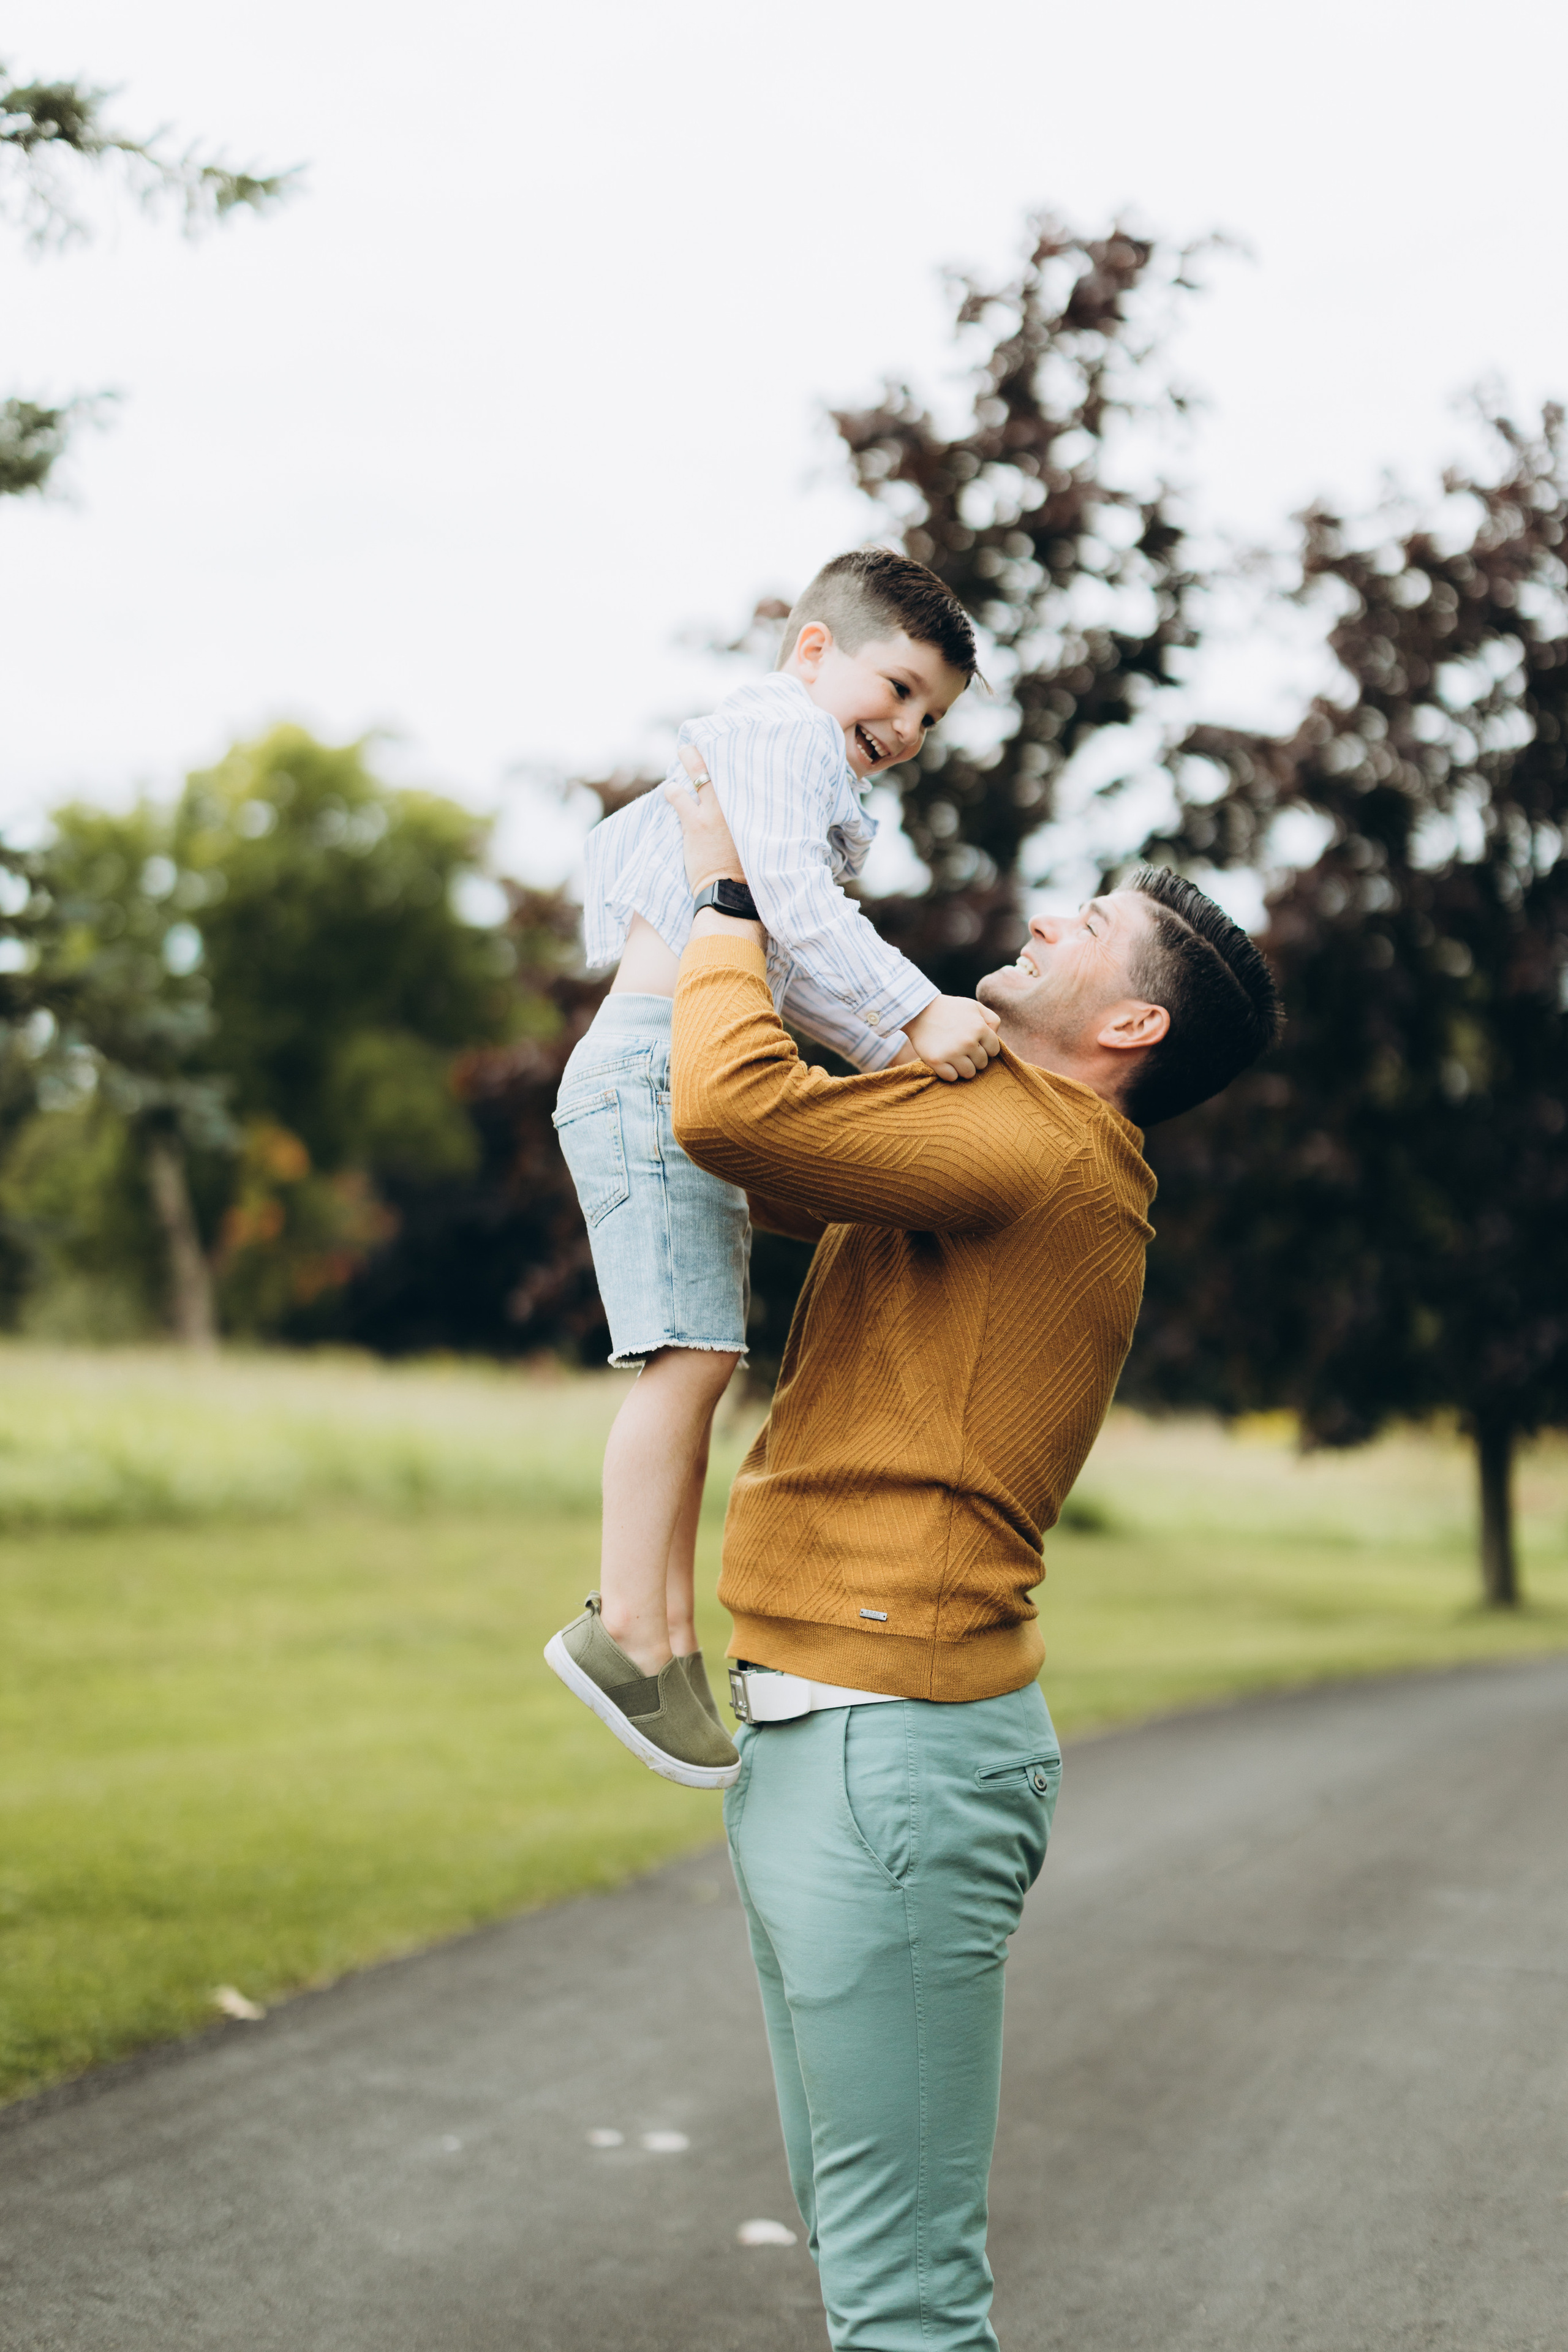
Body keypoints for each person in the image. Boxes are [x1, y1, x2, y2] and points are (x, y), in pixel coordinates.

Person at [660, 766, 1282, 2351]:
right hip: (818, 1732)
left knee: (905, 2296)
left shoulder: (1040, 1147)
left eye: (1093, 925)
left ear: (1130, 1028)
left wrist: (737, 889)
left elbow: (731, 1111)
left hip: (897, 1745)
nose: (1048, 912)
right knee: (853, 2236)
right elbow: (783, 1127)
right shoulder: (992, 1128)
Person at [546, 549, 1004, 1790]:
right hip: (648, 1067)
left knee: (701, 1360)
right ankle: (627, 1630)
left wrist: (887, 1066)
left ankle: (661, 1639)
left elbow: (767, 946)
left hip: (663, 1064)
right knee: (685, 1360)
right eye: (897, 688)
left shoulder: (786, 755)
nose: (907, 728)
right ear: (814, 652)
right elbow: (789, 909)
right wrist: (914, 1020)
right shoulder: (779, 736)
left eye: (930, 717)